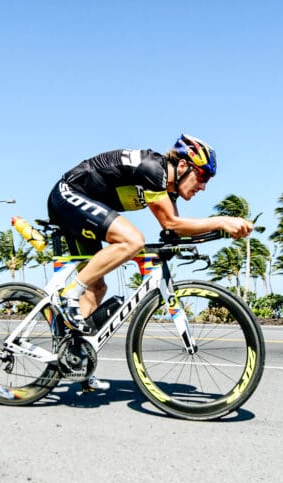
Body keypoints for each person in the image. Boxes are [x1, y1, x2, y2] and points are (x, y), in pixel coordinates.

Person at [47, 134, 253, 390]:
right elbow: (171, 223)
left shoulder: (168, 190)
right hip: (68, 194)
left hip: (84, 206)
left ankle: (75, 360)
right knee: (132, 240)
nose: (203, 186)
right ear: (182, 166)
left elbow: (175, 232)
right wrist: (222, 221)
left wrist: (220, 233)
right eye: (202, 177)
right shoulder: (153, 169)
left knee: (97, 288)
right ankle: (69, 294)